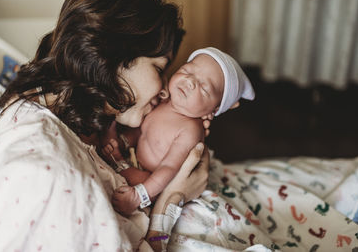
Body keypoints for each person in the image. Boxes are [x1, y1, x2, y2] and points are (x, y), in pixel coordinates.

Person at [0, 0, 209, 251]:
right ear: (114, 57)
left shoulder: (59, 109)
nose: (165, 89)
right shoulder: (51, 174)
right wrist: (171, 199)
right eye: (159, 68)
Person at [100, 47, 255, 216]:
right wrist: (124, 141)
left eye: (204, 88)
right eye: (186, 70)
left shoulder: (190, 130)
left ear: (214, 109)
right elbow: (144, 131)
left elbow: (169, 167)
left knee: (141, 179)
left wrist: (141, 194)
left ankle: (119, 162)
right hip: (137, 154)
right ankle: (118, 147)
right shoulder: (164, 101)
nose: (190, 81)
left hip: (155, 179)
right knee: (135, 132)